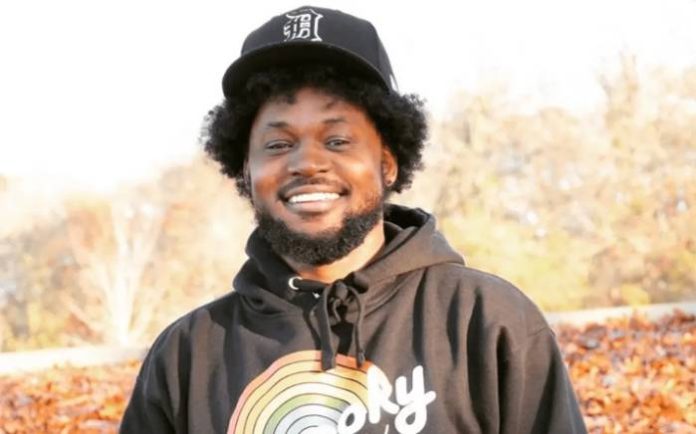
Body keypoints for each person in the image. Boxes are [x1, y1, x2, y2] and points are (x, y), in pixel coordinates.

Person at [120, 6, 587, 434]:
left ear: (388, 162)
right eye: (278, 144)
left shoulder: (487, 322)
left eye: (338, 140)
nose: (307, 163)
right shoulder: (186, 358)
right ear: (245, 171)